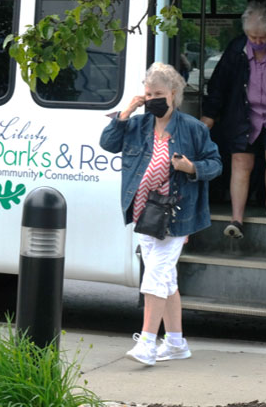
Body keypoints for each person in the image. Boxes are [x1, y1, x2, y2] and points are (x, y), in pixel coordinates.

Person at [100, 62, 222, 366]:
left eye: (158, 93)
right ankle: (177, 343)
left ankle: (147, 343)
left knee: (155, 276)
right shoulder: (138, 125)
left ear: (174, 94)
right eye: (148, 93)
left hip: (176, 214)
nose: (152, 98)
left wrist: (191, 168)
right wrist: (126, 112)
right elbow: (107, 143)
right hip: (144, 213)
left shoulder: (192, 128)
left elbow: (215, 163)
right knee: (165, 278)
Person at [201, 1, 266, 239]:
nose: (256, 41)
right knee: (240, 164)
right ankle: (237, 218)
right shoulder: (236, 49)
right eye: (252, 36)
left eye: (262, 37)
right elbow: (219, 85)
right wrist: (209, 116)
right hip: (243, 115)